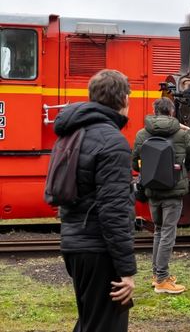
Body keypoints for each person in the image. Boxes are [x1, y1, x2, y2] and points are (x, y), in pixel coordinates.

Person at [55, 69, 136, 332]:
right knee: (105, 325)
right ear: (123, 99)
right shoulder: (113, 142)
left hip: (74, 245)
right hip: (99, 249)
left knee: (91, 321)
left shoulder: (71, 134)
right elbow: (114, 212)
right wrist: (126, 271)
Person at [132, 97, 190, 294]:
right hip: (173, 191)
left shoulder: (142, 134)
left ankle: (157, 274)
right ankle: (163, 280)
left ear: (155, 111)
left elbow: (134, 164)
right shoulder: (180, 133)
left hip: (152, 190)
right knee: (167, 233)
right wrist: (188, 128)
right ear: (172, 112)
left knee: (158, 230)